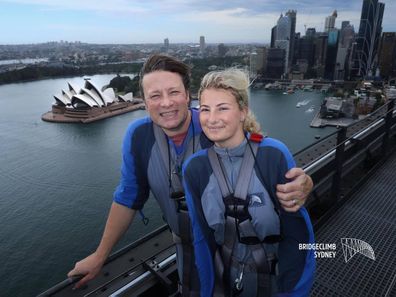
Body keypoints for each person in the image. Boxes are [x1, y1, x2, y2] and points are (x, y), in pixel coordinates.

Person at [68, 55, 313, 295]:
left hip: (229, 250)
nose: (166, 103)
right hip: (187, 247)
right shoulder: (138, 136)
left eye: (174, 92)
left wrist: (304, 181)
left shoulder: (213, 125)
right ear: (144, 100)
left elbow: (255, 149)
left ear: (187, 95)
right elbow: (128, 196)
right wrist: (101, 255)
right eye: (155, 95)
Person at [183, 69, 315, 297]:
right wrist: (207, 291)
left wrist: (292, 292)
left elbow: (299, 232)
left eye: (222, 108)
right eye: (205, 109)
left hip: (275, 283)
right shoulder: (195, 169)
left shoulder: (272, 155)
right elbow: (201, 237)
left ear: (243, 112)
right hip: (227, 283)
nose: (211, 118)